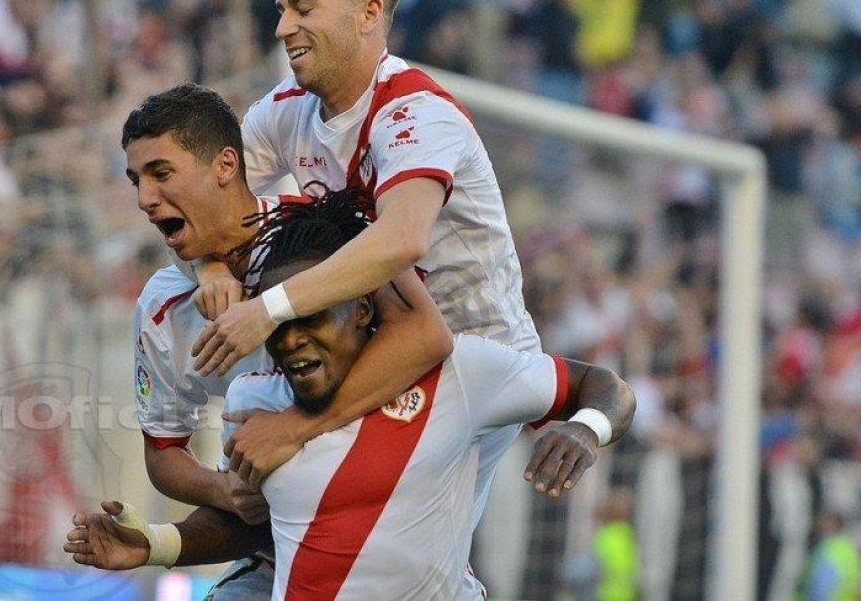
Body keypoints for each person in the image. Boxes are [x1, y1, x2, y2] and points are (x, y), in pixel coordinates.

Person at [65, 187, 637, 599]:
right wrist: (155, 545)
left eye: (310, 316)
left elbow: (603, 386)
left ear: (363, 306)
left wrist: (588, 428)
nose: (291, 340)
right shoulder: (255, 401)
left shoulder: (459, 373)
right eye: (276, 324)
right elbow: (266, 525)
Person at [187, 0, 548, 541]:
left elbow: (400, 240)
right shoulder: (285, 111)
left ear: (369, 15)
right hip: (366, 344)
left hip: (467, 363)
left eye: (303, 8)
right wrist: (212, 269)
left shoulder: (418, 114)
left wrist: (266, 309)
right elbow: (207, 204)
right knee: (311, 529)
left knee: (383, 550)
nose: (282, 27)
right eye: (281, 10)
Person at [120, 84, 453, 597]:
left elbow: (426, 333)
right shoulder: (162, 309)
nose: (144, 199)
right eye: (136, 180)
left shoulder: (318, 230)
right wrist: (224, 490)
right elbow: (163, 451)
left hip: (392, 537)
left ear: (226, 166)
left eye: (161, 174)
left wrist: (294, 427)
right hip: (273, 552)